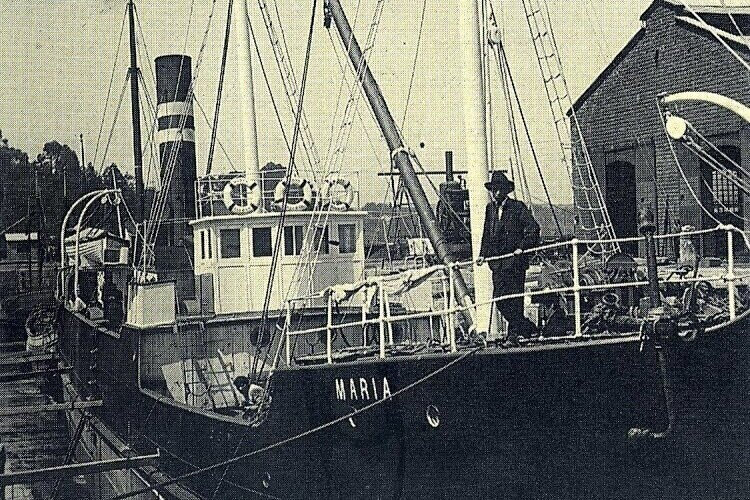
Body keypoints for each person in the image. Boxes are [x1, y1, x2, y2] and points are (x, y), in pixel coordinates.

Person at [476, 171, 540, 347]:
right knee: (500, 300)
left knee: (514, 298)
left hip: (514, 263)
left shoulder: (517, 207)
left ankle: (513, 334)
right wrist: (482, 254)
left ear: (506, 190)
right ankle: (526, 327)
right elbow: (486, 234)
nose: (496, 193)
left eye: (499, 189)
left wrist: (522, 247)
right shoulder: (490, 209)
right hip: (497, 263)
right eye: (494, 189)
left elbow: (533, 228)